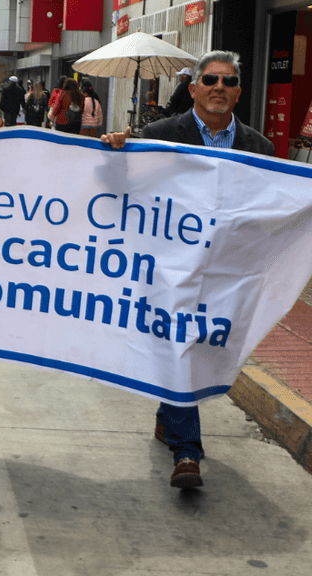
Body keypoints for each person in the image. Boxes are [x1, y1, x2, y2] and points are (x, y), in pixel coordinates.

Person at [101, 51, 273, 489]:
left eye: (229, 81)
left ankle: (166, 419)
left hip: (224, 273)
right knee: (177, 344)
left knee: (198, 349)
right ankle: (187, 452)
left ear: (238, 91)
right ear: (192, 88)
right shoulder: (159, 135)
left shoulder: (261, 148)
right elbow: (122, 190)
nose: (219, 87)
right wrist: (115, 156)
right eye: (210, 79)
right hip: (169, 268)